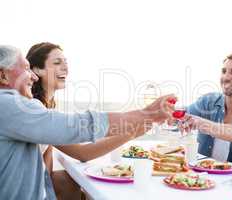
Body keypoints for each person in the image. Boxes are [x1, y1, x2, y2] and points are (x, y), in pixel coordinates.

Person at [0, 45, 175, 200]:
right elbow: (79, 132)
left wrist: (139, 123)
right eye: (26, 68)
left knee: (78, 184)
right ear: (3, 75)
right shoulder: (12, 107)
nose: (33, 77)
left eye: (65, 61)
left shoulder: (29, 108)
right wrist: (144, 116)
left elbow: (51, 165)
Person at [25, 42, 142, 199]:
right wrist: (132, 132)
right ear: (37, 70)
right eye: (57, 63)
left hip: (39, 184)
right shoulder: (35, 111)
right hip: (27, 190)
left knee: (72, 182)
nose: (65, 68)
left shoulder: (46, 108)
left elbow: (50, 163)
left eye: (66, 63)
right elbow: (83, 153)